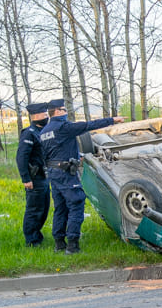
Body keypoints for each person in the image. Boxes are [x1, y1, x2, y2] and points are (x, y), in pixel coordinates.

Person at [40, 99, 125, 254]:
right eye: (64, 109)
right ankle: (72, 246)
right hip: (66, 174)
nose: (66, 112)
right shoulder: (63, 127)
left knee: (60, 208)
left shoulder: (44, 132)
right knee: (76, 204)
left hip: (54, 173)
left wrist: (73, 155)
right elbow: (88, 126)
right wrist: (112, 120)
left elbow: (48, 153)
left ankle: (59, 244)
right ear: (57, 112)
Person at [15, 102, 51, 247]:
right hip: (34, 178)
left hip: (43, 176)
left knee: (44, 209)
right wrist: (26, 178)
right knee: (34, 210)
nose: (47, 117)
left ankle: (37, 235)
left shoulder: (42, 131)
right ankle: (31, 241)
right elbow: (21, 157)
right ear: (36, 116)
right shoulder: (29, 133)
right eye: (45, 114)